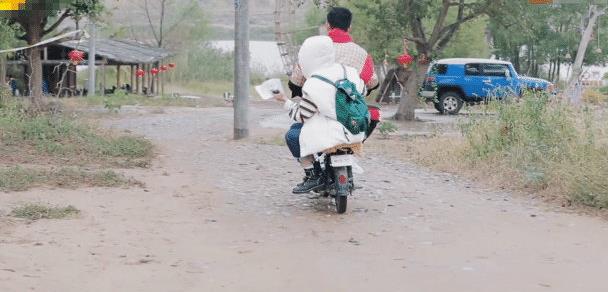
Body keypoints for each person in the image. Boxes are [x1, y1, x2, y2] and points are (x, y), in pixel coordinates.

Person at [274, 35, 367, 194]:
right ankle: (348, 175)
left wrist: (285, 101)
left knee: (292, 135)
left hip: (329, 136)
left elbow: (302, 115)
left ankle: (313, 175)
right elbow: (363, 92)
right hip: (356, 131)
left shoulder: (313, 83)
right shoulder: (349, 71)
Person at [288, 7, 379, 98]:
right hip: (349, 108)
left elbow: (295, 83)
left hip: (317, 106)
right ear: (350, 26)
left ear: (327, 25)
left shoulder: (313, 47)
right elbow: (373, 83)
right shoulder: (362, 54)